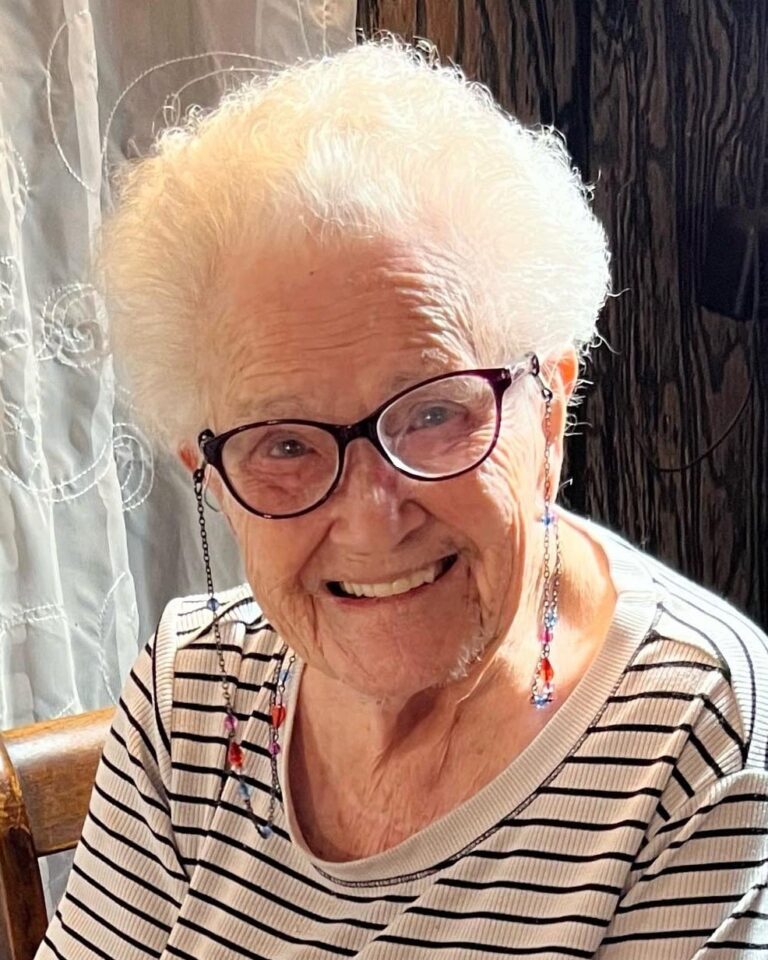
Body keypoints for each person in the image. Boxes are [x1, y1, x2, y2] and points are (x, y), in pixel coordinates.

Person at [37, 37, 768, 960]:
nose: (372, 518)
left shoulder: (696, 737)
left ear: (549, 414)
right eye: (286, 444)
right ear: (212, 475)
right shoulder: (192, 688)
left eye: (432, 413)